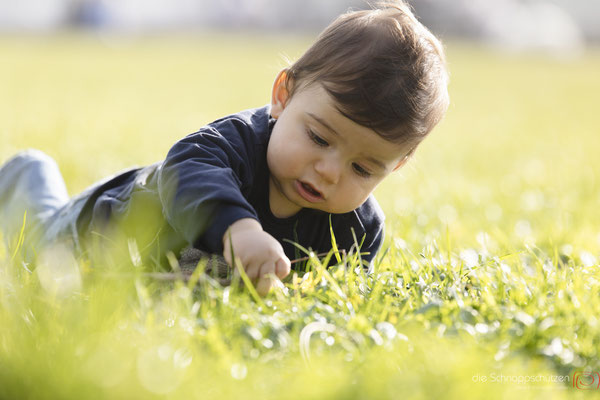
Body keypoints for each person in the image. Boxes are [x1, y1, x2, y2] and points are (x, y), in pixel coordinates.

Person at [0, 1, 449, 296]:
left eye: (363, 169)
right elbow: (187, 167)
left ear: (397, 166)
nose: (330, 171)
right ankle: (26, 172)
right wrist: (239, 230)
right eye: (318, 137)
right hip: (91, 237)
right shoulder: (230, 146)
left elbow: (339, 297)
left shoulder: (356, 232)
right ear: (284, 95)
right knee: (35, 242)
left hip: (158, 281)